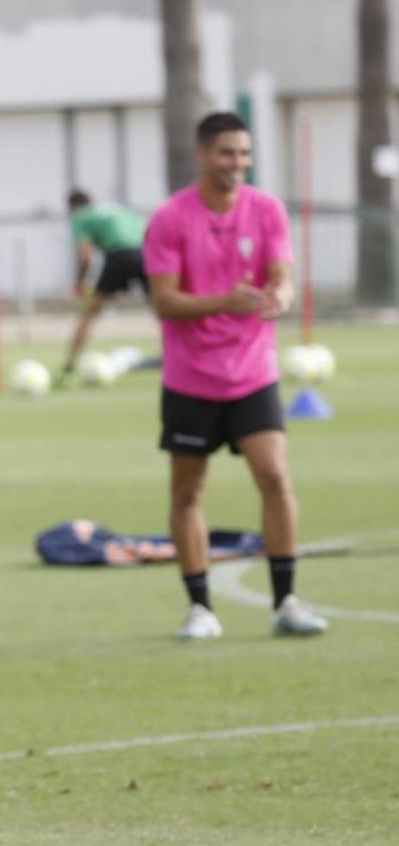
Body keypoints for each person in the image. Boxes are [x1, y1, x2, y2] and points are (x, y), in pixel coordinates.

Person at [142, 111, 328, 641]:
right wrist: (225, 301)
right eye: (227, 153)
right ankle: (200, 608)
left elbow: (282, 276)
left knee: (274, 476)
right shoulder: (171, 218)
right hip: (190, 378)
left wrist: (282, 298)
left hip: (253, 372)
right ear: (202, 155)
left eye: (244, 154)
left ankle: (286, 600)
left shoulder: (266, 209)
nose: (237, 163)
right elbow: (164, 301)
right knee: (187, 492)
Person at [58, 190, 149, 381]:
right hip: (145, 253)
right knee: (165, 311)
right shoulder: (117, 209)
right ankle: (182, 360)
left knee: (90, 313)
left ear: (73, 207)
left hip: (118, 256)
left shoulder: (81, 216)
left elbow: (85, 257)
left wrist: (80, 282)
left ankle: (69, 364)